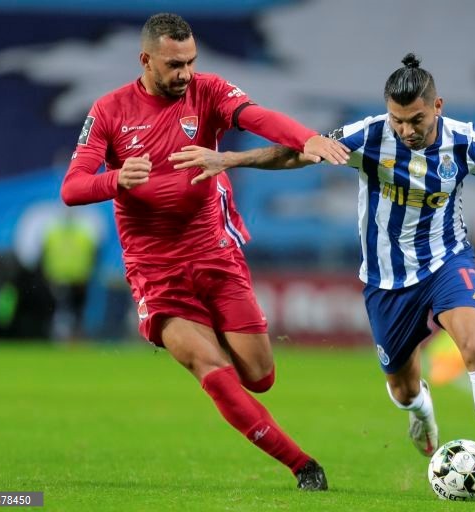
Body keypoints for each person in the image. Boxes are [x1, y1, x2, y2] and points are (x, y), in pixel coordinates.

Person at [173, 53, 475, 500]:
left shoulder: (465, 142)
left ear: (437, 106)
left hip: (448, 261)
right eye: (399, 119)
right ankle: (421, 408)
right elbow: (299, 154)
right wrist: (231, 157)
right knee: (402, 390)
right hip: (386, 281)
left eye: (417, 119)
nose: (407, 130)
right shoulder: (368, 135)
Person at [60, 13, 349, 490]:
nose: (184, 74)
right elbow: (73, 188)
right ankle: (303, 466)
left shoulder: (208, 91)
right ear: (145, 60)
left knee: (259, 377)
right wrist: (116, 179)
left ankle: (220, 348)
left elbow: (258, 117)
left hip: (216, 254)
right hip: (156, 270)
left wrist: (306, 137)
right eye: (174, 65)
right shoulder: (109, 111)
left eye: (191, 62)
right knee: (211, 369)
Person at [40, 210, 98, 339]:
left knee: (71, 311)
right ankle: (62, 337)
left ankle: (71, 337)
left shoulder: (79, 233)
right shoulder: (80, 233)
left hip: (76, 280)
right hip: (61, 278)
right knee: (63, 310)